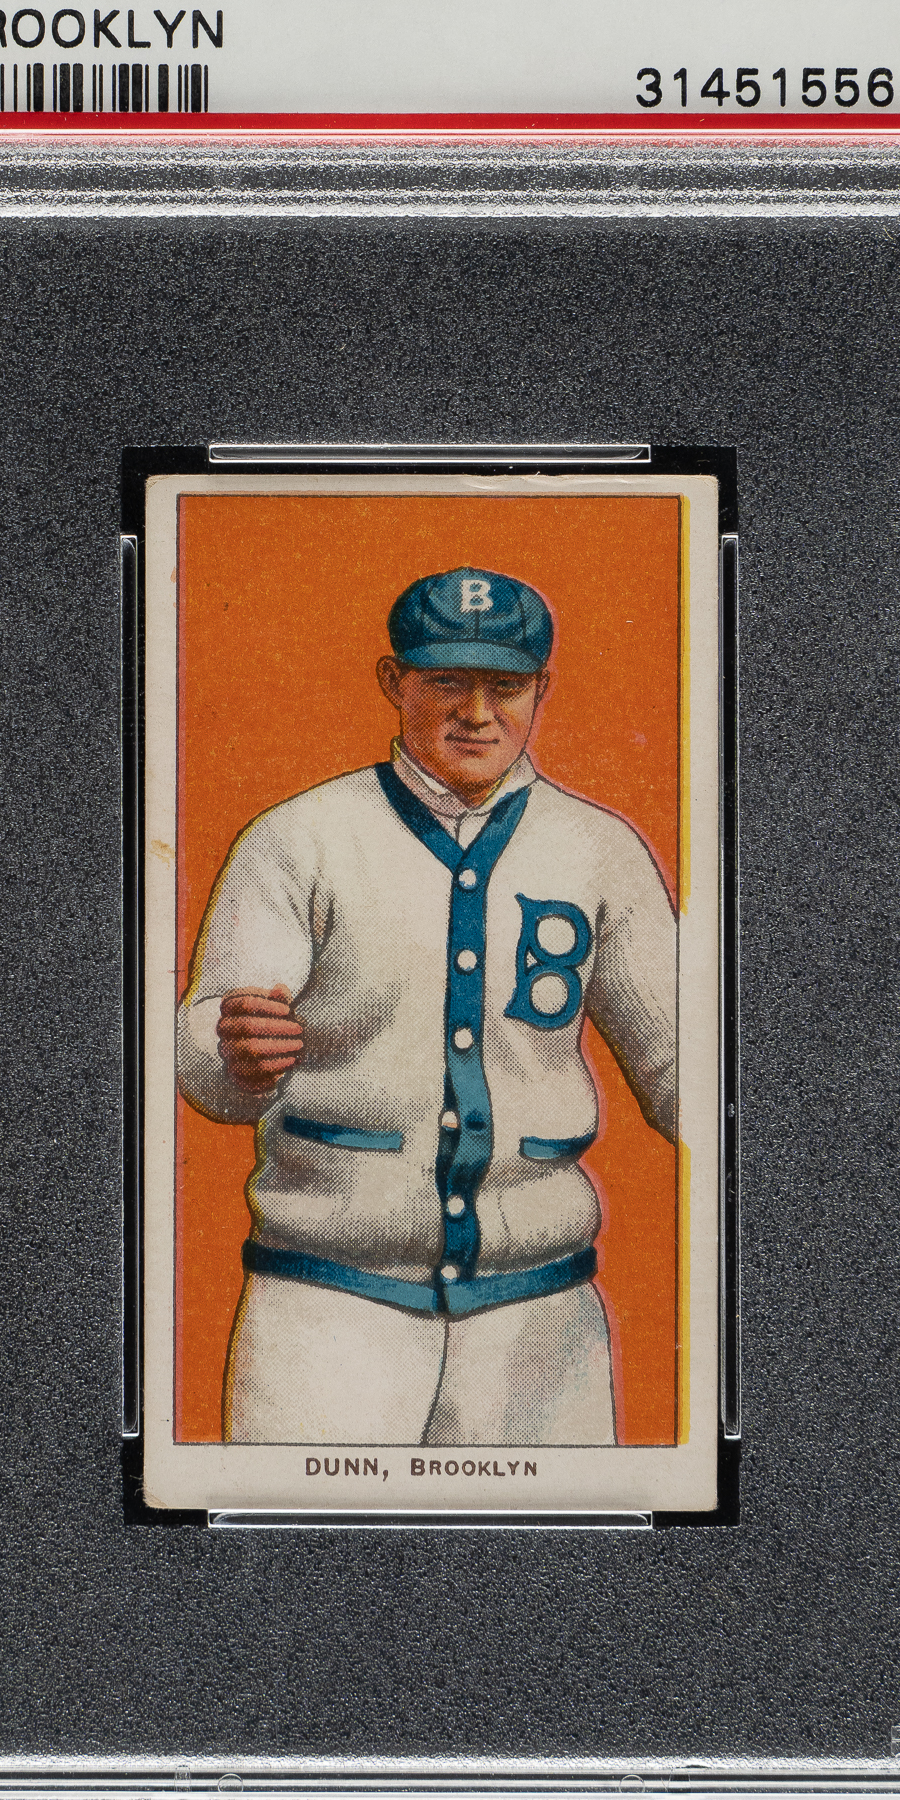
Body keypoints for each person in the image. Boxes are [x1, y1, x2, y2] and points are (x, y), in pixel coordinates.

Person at [176, 568, 677, 1447]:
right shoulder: (299, 837)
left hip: (541, 1318)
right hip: (326, 1309)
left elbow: (688, 1068)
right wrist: (233, 1056)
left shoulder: (601, 850)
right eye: (446, 680)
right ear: (393, 681)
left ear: (542, 689)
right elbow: (208, 1048)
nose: (477, 713)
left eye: (505, 686)